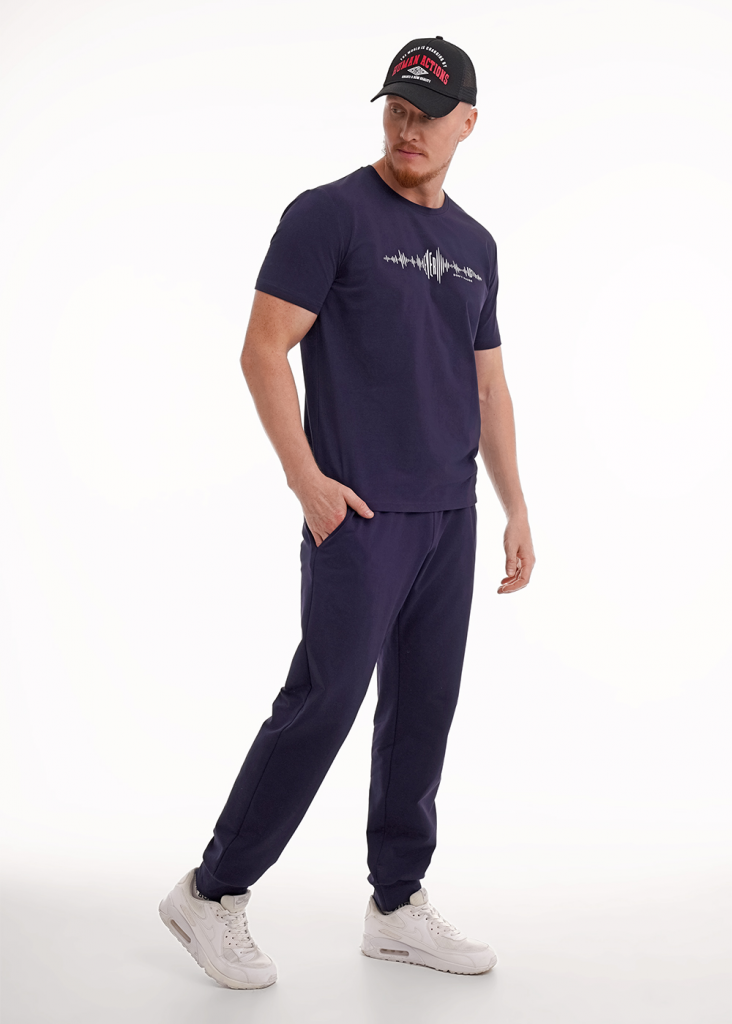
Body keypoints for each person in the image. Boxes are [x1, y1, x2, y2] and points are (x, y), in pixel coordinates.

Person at [159, 34, 535, 990]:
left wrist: (514, 507)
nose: (409, 129)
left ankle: (396, 905)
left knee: (424, 712)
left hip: (449, 517)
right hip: (359, 515)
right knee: (323, 704)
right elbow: (262, 349)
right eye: (397, 109)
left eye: (429, 114)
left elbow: (489, 386)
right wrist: (307, 481)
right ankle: (211, 892)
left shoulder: (477, 246)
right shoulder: (328, 215)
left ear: (468, 123)